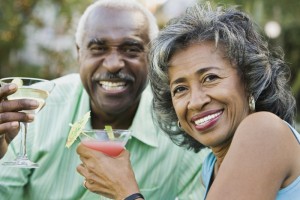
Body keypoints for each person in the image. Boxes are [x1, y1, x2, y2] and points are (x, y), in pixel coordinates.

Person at [77, 2, 300, 200]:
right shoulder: (210, 167)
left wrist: (126, 192)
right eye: (180, 89)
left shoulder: (263, 131)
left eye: (210, 78)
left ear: (250, 81)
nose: (195, 102)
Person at [0, 0, 209, 199]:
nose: (113, 64)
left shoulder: (181, 128)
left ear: (152, 58)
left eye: (131, 49)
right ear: (79, 53)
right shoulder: (34, 110)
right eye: (98, 48)